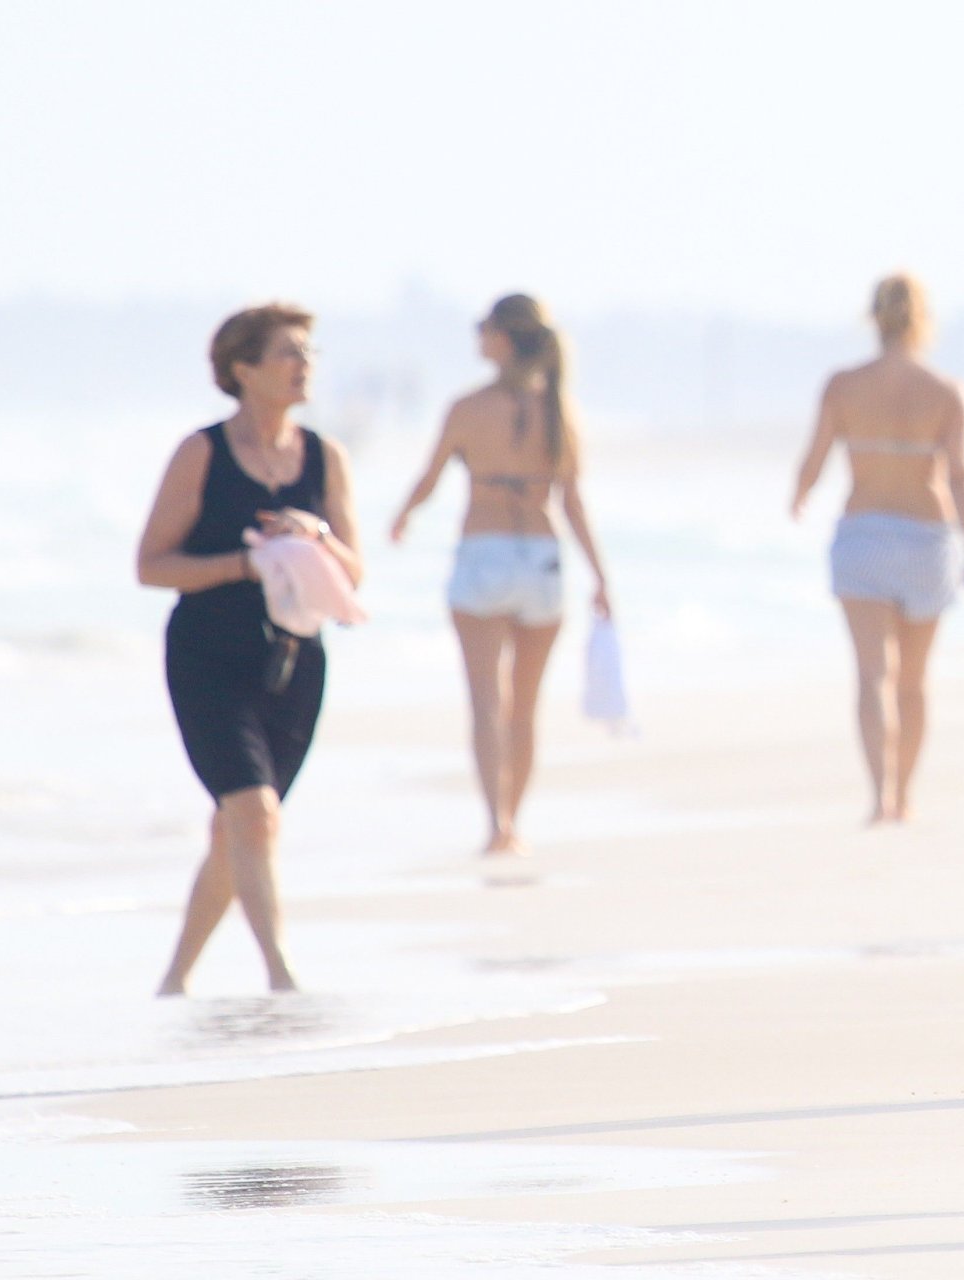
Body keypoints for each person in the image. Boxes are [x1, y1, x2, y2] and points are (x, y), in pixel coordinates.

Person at [139, 304, 365, 994]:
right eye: (288, 353)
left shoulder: (324, 457)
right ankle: (282, 976)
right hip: (207, 656)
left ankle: (174, 980)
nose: (304, 366)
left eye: (309, 353)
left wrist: (314, 538)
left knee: (241, 828)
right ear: (243, 369)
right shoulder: (201, 453)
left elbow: (354, 572)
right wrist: (245, 563)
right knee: (254, 815)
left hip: (293, 663)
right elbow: (152, 565)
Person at [389, 294, 612, 856]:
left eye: (484, 329)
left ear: (505, 339)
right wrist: (601, 578)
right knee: (526, 708)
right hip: (542, 557)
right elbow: (574, 503)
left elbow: (429, 479)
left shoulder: (467, 409)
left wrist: (403, 516)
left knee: (487, 703)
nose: (478, 338)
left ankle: (497, 824)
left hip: (483, 553)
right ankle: (517, 821)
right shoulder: (560, 409)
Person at [791, 274, 964, 823]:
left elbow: (815, 459)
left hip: (865, 536)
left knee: (874, 674)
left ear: (873, 317)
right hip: (928, 539)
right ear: (923, 320)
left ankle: (881, 796)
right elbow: (962, 477)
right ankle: (906, 796)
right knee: (914, 682)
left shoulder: (843, 385)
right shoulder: (948, 391)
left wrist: (798, 495)